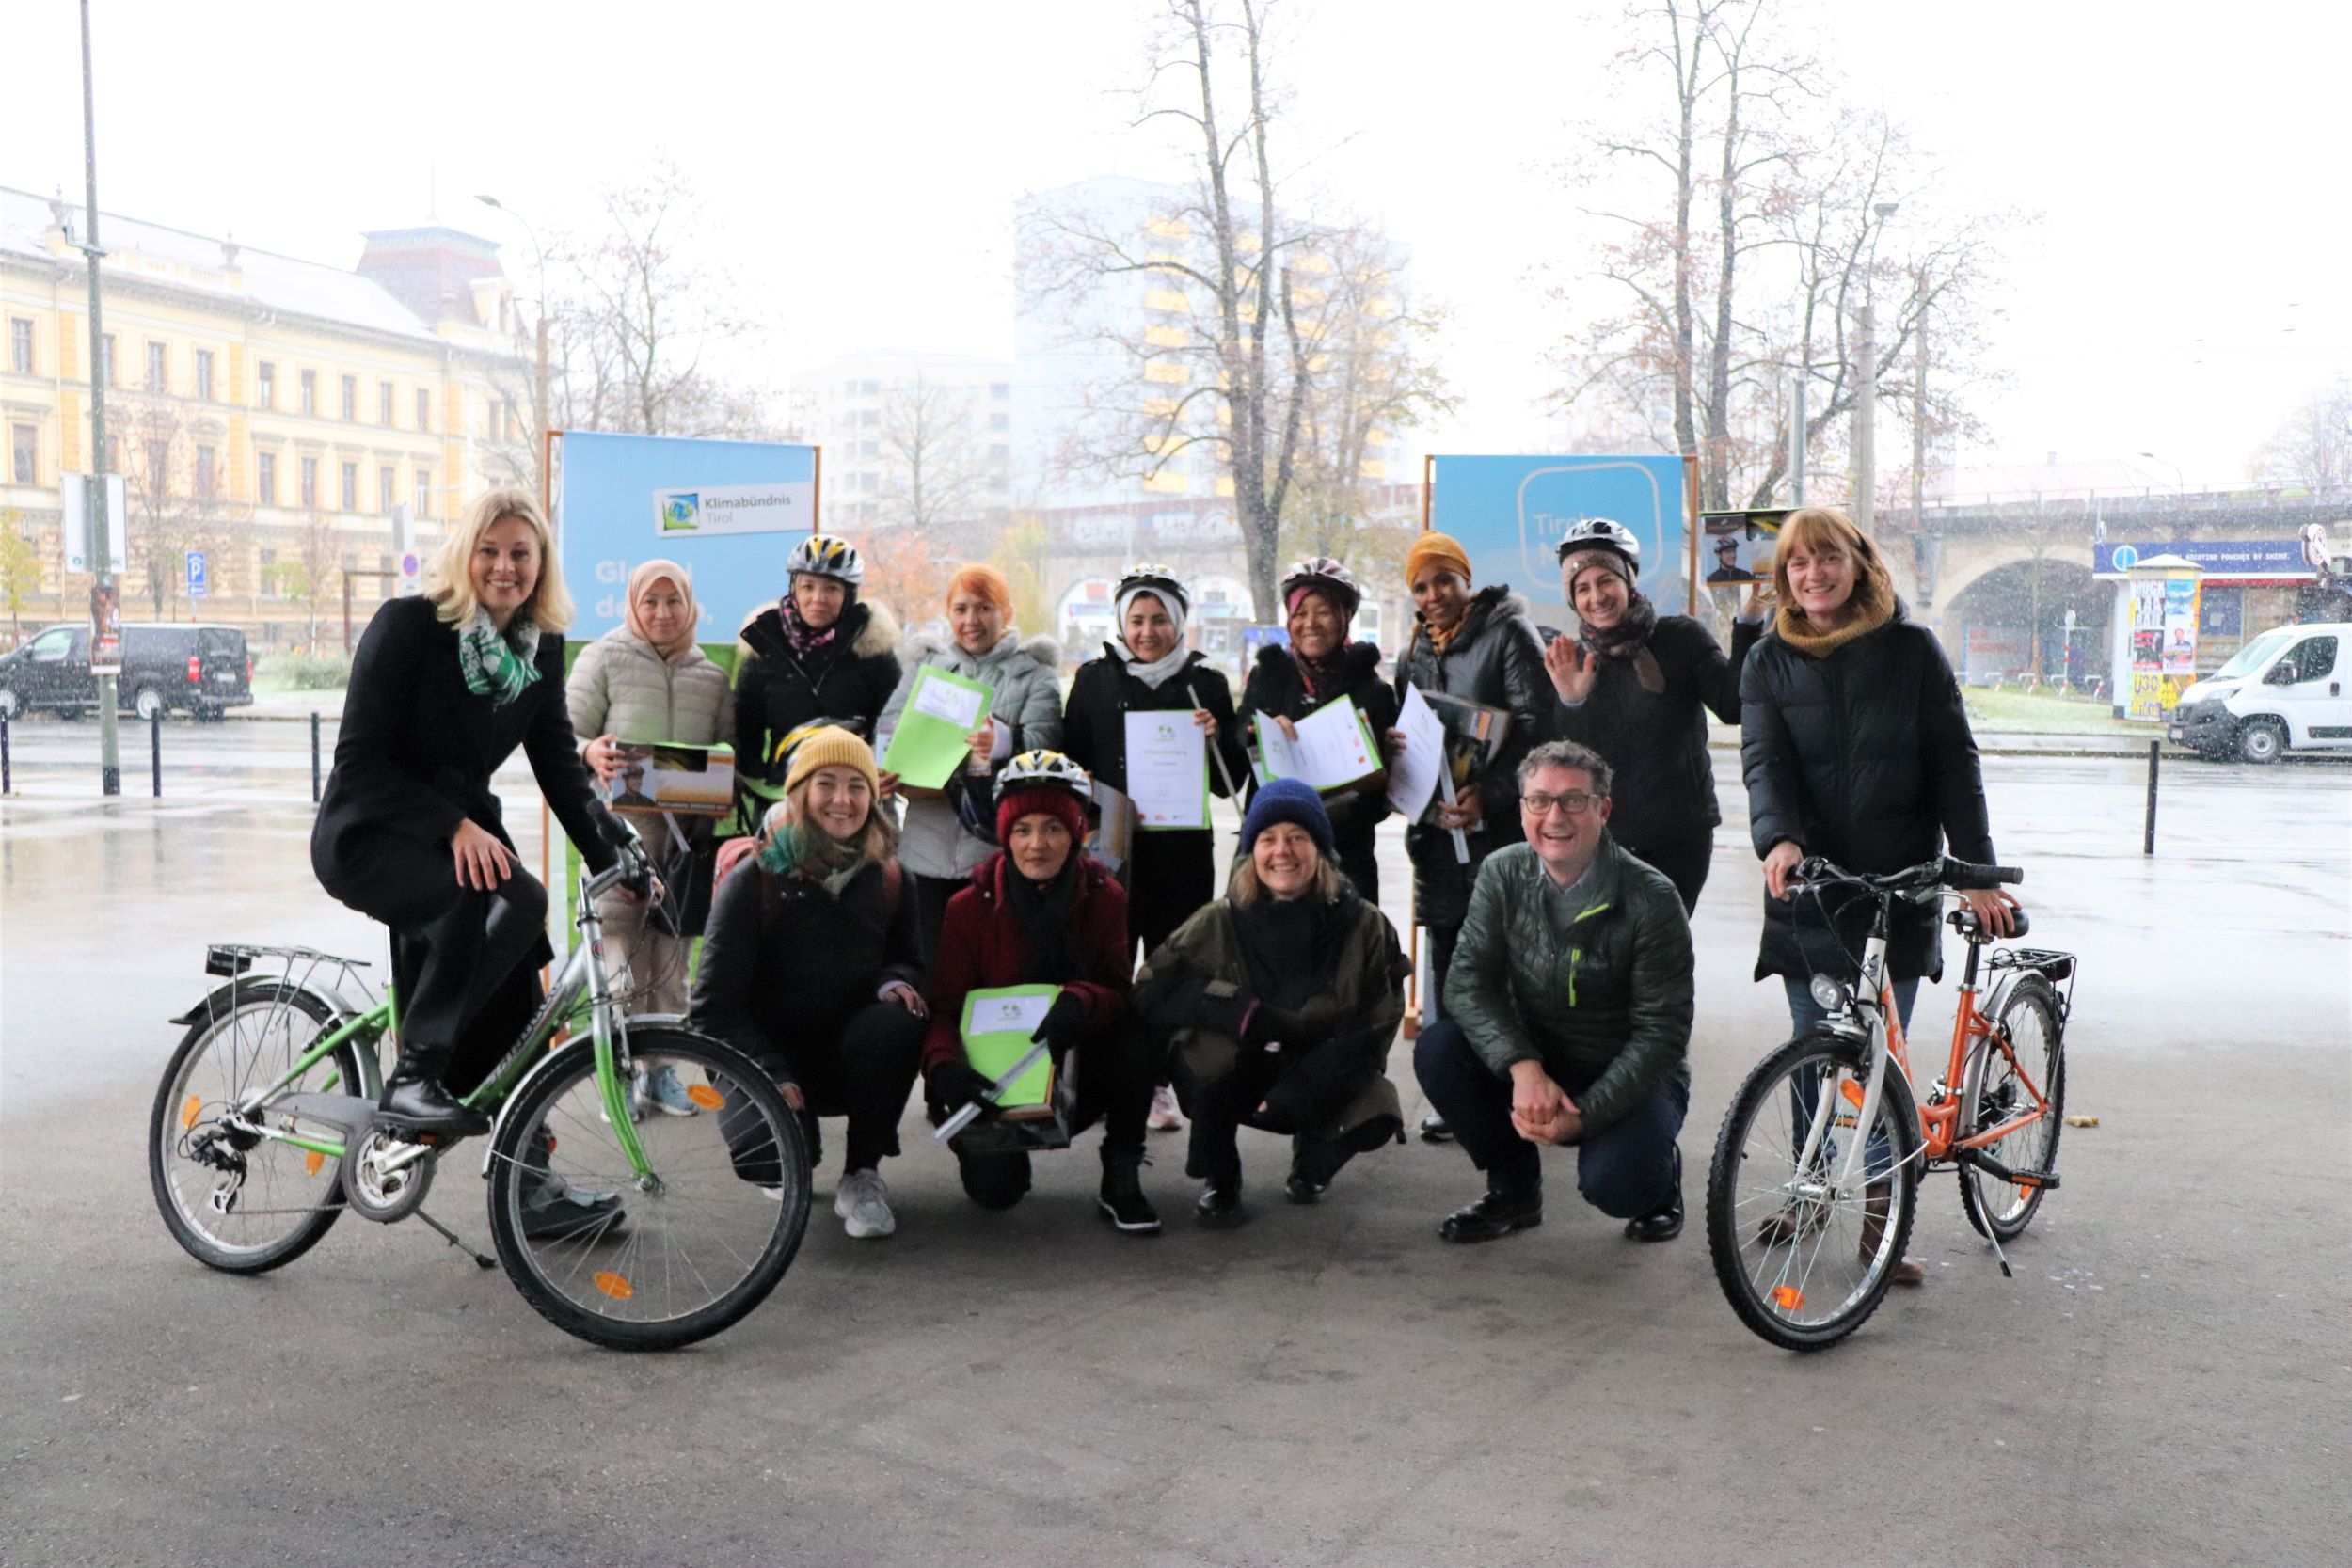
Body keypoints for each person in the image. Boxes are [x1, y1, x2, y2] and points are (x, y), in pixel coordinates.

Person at [310, 486, 628, 1245]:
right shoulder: (410, 627)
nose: (504, 567)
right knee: (474, 900)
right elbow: (357, 763)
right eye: (490, 550)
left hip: (458, 834)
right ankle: (415, 1079)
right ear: (465, 554)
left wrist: (613, 852)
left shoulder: (539, 645)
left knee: (522, 966)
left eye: (521, 553)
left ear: (541, 563)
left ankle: (529, 1181)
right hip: (373, 828)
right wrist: (450, 824)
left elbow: (557, 758)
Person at [1740, 504, 2019, 1288]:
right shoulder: (1768, 661)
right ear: (1785, 576)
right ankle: (1805, 1193)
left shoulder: (1911, 651)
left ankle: (1876, 1225)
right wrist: (1780, 838)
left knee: (1877, 1062)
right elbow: (1765, 761)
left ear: (1859, 563)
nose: (1812, 573)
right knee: (1810, 1051)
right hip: (1815, 886)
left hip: (1898, 886)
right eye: (1798, 562)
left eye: (1828, 557)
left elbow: (1954, 763)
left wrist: (1975, 870)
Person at [1413, 741, 1693, 1245]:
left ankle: (1659, 1185)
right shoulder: (1503, 872)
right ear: (1522, 809)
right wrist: (1523, 1068)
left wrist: (1581, 1119)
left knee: (1614, 1185)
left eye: (1573, 800)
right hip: (1540, 1058)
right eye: (1539, 800)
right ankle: (1514, 1192)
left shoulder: (1652, 898)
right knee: (1439, 1050)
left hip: (1627, 1070)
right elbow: (1466, 983)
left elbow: (1663, 1034)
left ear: (1603, 809)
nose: (1554, 816)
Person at [1135, 780, 1408, 1227]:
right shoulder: (1218, 920)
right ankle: (1222, 1180)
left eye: (1298, 838)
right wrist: (1231, 1008)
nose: (1283, 851)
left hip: (1321, 1063)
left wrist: (1305, 1089)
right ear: (1251, 852)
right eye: (1268, 839)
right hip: (1243, 1061)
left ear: (1321, 850)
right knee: (1204, 1057)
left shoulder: (1365, 925)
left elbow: (1378, 1023)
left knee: (1376, 1112)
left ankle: (1312, 1164)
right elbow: (1150, 991)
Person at [691, 726, 928, 1241]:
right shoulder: (755, 878)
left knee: (898, 1022)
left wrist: (895, 982)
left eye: (856, 786)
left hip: (846, 1051)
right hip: (765, 1056)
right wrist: (770, 1073)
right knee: (770, 1156)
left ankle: (862, 1174)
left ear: (874, 796)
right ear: (800, 792)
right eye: (826, 783)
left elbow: (908, 961)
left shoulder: (890, 878)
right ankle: (796, 1145)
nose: (842, 800)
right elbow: (710, 1009)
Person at [919, 752, 1162, 1233]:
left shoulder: (1105, 896)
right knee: (996, 1194)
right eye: (1023, 829)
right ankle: (1004, 1155)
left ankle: (1121, 1171)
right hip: (998, 1077)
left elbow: (1117, 988)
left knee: (1143, 1022)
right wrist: (944, 1068)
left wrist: (1081, 1000)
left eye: (1052, 827)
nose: (1037, 844)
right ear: (1005, 836)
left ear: (1076, 833)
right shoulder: (967, 908)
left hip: (1080, 1057)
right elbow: (945, 1008)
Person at [1058, 564, 1247, 1133]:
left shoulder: (1205, 684)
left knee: (1173, 969)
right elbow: (1069, 766)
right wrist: (1087, 782)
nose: (1147, 631)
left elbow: (1229, 782)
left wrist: (1217, 740)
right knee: (1107, 963)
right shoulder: (1093, 680)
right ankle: (1100, 1080)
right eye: (1136, 620)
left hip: (1182, 853)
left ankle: (1161, 1082)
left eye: (1159, 619)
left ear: (1180, 622)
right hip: (1111, 852)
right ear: (1120, 623)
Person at [1390, 531, 1548, 1142]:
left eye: (1443, 581)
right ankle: (1457, 1096)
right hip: (1437, 839)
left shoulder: (1509, 633)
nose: (1433, 595)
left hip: (1501, 836)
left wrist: (1494, 793)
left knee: (1503, 967)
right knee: (1449, 968)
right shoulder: (1413, 651)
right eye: (1421, 586)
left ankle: (1516, 1090)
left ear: (1466, 579)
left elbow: (1538, 727)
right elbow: (1408, 727)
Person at [1543, 517, 1762, 912]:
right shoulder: (1573, 660)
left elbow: (1733, 706)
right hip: (1600, 842)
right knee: (1604, 961)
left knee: (1662, 958)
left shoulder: (1681, 637)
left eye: (1606, 580)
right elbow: (1567, 764)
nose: (1597, 596)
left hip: (1679, 838)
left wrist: (1749, 622)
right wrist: (1572, 702)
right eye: (1582, 588)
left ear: (1628, 582)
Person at [565, 559, 736, 1068]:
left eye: (673, 601)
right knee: (620, 971)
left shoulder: (711, 676)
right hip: (616, 840)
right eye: (651, 601)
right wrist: (589, 751)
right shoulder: (603, 658)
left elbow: (730, 752)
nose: (662, 613)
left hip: (683, 847)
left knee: (670, 972)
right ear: (633, 604)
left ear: (690, 605)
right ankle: (621, 1074)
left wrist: (718, 776)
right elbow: (562, 736)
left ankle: (661, 1073)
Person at [876, 565, 1063, 967]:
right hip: (924, 850)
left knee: (988, 968)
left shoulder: (1036, 675)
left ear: (1007, 614)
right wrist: (885, 766)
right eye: (960, 609)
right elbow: (889, 730)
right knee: (926, 968)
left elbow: (1045, 755)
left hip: (994, 854)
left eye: (984, 608)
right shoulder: (924, 670)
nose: (970, 621)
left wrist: (1005, 744)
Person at [1235, 557, 1398, 905]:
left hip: (1346, 859)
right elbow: (1237, 749)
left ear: (1345, 617)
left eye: (1323, 611)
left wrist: (1381, 773)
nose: (1310, 623)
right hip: (1270, 857)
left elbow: (1384, 801)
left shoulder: (1374, 693)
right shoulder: (1267, 677)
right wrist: (1258, 733)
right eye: (1299, 613)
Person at [733, 534, 902, 784]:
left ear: (849, 595)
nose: (818, 599)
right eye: (808, 586)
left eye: (831, 589)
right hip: (784, 793)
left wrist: (878, 774)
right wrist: (757, 783)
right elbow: (746, 731)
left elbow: (892, 725)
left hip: (853, 793)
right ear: (794, 589)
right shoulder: (764, 647)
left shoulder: (875, 655)